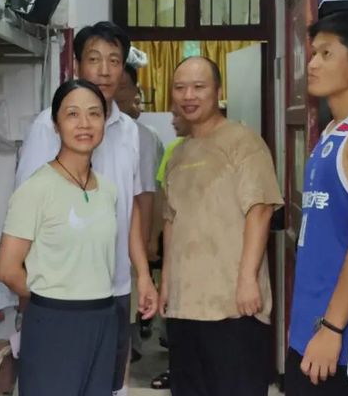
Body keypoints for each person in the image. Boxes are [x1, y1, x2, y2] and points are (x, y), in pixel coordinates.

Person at [15, 21, 158, 395]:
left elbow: (131, 208)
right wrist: (32, 293)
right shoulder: (47, 128)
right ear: (76, 65)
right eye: (94, 59)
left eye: (114, 60)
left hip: (115, 285)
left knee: (108, 383)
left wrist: (143, 275)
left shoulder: (130, 132)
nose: (105, 70)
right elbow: (26, 211)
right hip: (61, 296)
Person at [159, 56, 283, 396]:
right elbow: (171, 221)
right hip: (186, 305)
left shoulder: (243, 141)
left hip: (233, 306)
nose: (188, 96)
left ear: (218, 91)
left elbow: (260, 209)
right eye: (180, 88)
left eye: (199, 87)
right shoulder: (178, 154)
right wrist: (166, 282)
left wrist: (247, 279)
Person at [0, 79, 119, 396]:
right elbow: (7, 269)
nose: (84, 123)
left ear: (104, 121)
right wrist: (51, 297)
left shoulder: (108, 190)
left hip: (103, 320)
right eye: (72, 114)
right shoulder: (36, 189)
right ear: (55, 124)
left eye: (94, 114)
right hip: (53, 322)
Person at [286, 11, 348, 395]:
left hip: (336, 336)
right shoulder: (331, 130)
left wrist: (333, 327)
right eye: (313, 53)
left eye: (326, 54)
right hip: (308, 324)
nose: (312, 64)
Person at [114, 64, 164, 359]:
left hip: (133, 231)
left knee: (132, 292)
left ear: (135, 91)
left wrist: (147, 242)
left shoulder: (142, 135)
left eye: (124, 86)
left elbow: (147, 192)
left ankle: (130, 347)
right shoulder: (91, 129)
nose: (117, 92)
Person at [148, 107, 190, 391]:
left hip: (209, 252)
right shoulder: (174, 151)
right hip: (176, 244)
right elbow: (161, 198)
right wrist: (153, 239)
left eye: (178, 116)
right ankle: (175, 368)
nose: (173, 121)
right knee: (173, 307)